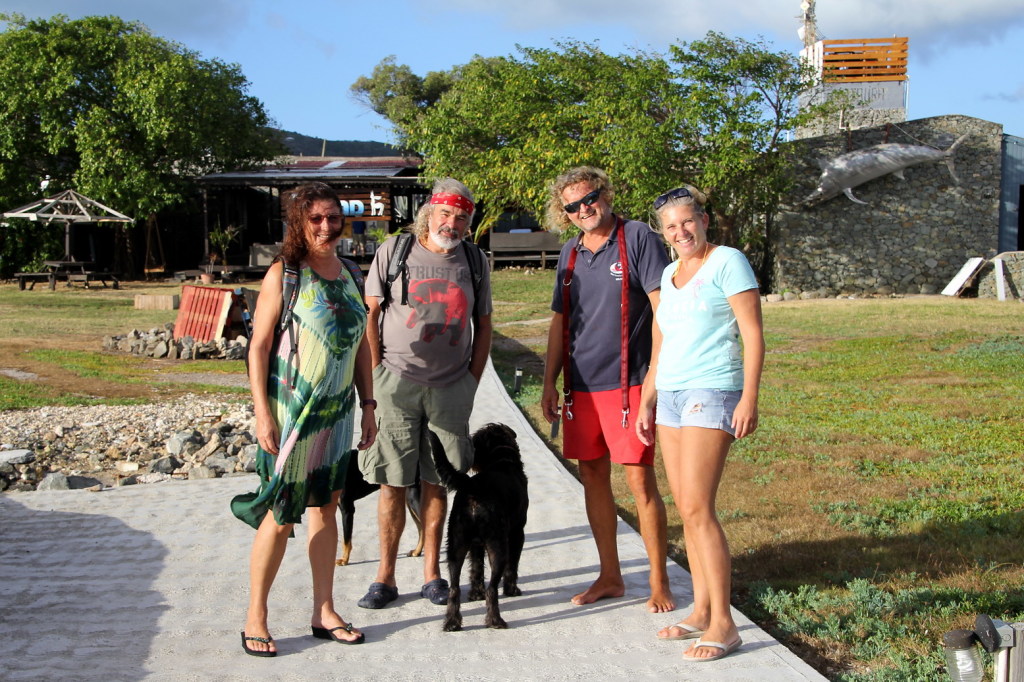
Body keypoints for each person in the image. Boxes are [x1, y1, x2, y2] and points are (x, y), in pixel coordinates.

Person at [231, 182, 377, 656]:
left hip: (337, 415)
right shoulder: (285, 274)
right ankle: (256, 614)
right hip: (292, 414)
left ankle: (324, 609)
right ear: (298, 223)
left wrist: (369, 406)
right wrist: (261, 414)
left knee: (326, 508)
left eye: (333, 217)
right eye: (315, 219)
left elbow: (360, 348)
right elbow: (258, 346)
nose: (326, 226)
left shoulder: (353, 272)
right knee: (279, 514)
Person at [636, 186, 764, 663]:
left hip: (713, 390)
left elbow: (752, 333)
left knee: (697, 506)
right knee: (687, 508)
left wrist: (749, 396)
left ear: (703, 220)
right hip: (670, 393)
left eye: (687, 222)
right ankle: (702, 609)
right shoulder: (669, 272)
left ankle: (725, 624)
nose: (680, 232)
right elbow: (661, 338)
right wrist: (648, 398)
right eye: (671, 227)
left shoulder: (728, 261)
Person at [540, 166, 675, 613]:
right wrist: (549, 381)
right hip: (581, 387)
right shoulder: (570, 253)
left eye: (589, 198)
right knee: (593, 478)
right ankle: (610, 575)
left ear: (606, 193)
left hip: (629, 384)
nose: (583, 209)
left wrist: (653, 383)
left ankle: (659, 581)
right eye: (572, 206)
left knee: (639, 481)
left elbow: (663, 312)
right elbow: (561, 321)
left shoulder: (637, 237)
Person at [357, 178, 493, 609]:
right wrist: (376, 372)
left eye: (461, 217)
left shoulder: (474, 260)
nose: (451, 223)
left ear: (470, 224)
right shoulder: (394, 251)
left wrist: (472, 379)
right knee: (392, 482)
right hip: (394, 383)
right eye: (445, 214)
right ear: (429, 214)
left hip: (452, 387)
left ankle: (432, 574)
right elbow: (371, 314)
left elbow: (484, 323)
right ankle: (385, 576)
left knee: (439, 481)